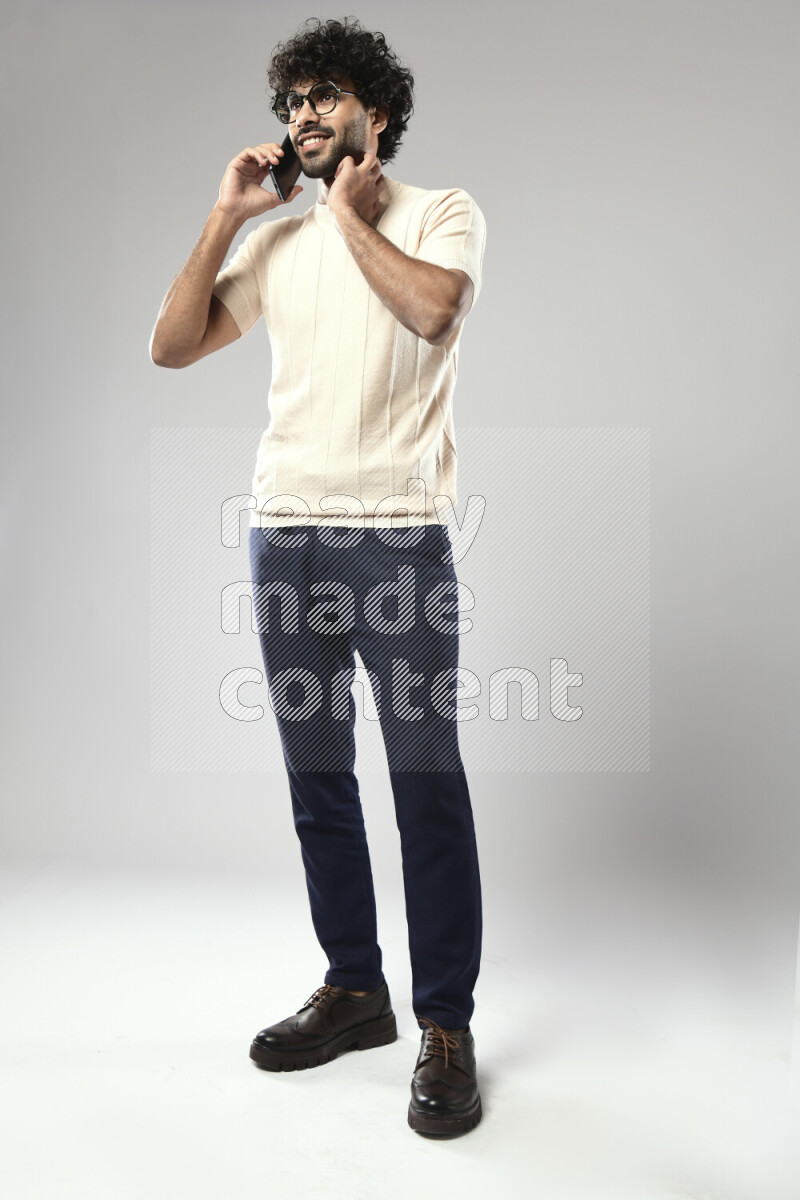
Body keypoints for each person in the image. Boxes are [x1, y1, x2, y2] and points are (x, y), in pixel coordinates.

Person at [149, 16, 486, 1137]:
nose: (301, 113)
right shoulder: (274, 244)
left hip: (395, 543)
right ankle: (355, 989)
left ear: (374, 112)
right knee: (317, 783)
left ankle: (443, 1021)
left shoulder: (439, 215)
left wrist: (346, 216)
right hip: (284, 540)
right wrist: (229, 215)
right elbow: (173, 343)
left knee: (424, 784)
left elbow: (435, 311)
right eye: (290, 99)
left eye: (325, 94)